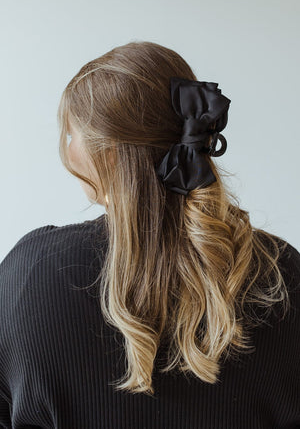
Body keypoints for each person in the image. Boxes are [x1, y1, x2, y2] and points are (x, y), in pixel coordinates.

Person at [0, 40, 299, 429]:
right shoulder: (284, 273)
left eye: (72, 135)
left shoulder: (31, 273)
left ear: (106, 155)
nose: (69, 148)